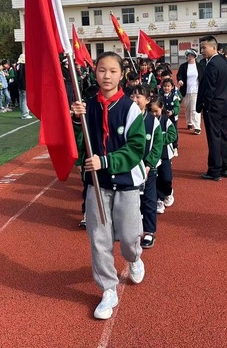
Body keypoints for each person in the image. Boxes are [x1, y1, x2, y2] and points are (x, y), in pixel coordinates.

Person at [71, 51, 146, 320]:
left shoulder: (130, 108)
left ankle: (134, 258)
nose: (106, 76)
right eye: (102, 70)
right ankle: (108, 288)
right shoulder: (86, 106)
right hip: (97, 185)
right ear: (95, 72)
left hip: (126, 183)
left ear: (121, 74)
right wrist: (77, 122)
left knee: (128, 238)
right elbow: (80, 145)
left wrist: (106, 161)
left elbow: (137, 148)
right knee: (99, 239)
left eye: (112, 71)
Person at [130, 84, 163, 249]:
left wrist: (149, 164)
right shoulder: (126, 117)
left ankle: (149, 231)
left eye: (138, 97)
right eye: (132, 97)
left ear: (148, 100)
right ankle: (131, 230)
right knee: (130, 200)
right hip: (130, 168)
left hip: (149, 170)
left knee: (149, 200)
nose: (135, 100)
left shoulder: (153, 121)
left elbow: (158, 145)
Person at [196, 35, 227, 181]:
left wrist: (206, 106)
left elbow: (209, 89)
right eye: (201, 47)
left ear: (214, 47)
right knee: (224, 136)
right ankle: (226, 167)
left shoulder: (212, 65)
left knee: (214, 139)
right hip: (224, 105)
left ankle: (214, 170)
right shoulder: (223, 62)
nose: (202, 51)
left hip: (214, 108)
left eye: (204, 47)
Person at [149, 96, 177, 214]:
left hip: (165, 154)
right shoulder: (147, 121)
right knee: (154, 177)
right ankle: (158, 199)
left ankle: (168, 192)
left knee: (166, 177)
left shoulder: (166, 121)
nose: (154, 114)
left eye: (156, 111)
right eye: (152, 111)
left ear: (162, 108)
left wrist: (159, 139)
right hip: (153, 155)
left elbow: (172, 135)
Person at [176, 49, 204, 135]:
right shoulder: (183, 66)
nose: (190, 57)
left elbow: (203, 77)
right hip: (186, 90)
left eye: (191, 55)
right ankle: (189, 123)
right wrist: (180, 80)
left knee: (194, 109)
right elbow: (179, 75)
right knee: (187, 108)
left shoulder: (199, 66)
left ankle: (197, 127)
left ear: (195, 56)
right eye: (188, 56)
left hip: (196, 91)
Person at [16, 53, 32, 120]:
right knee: (24, 100)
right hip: (24, 85)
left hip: (20, 85)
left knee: (22, 99)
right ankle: (25, 114)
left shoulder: (18, 66)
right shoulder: (23, 66)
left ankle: (25, 112)